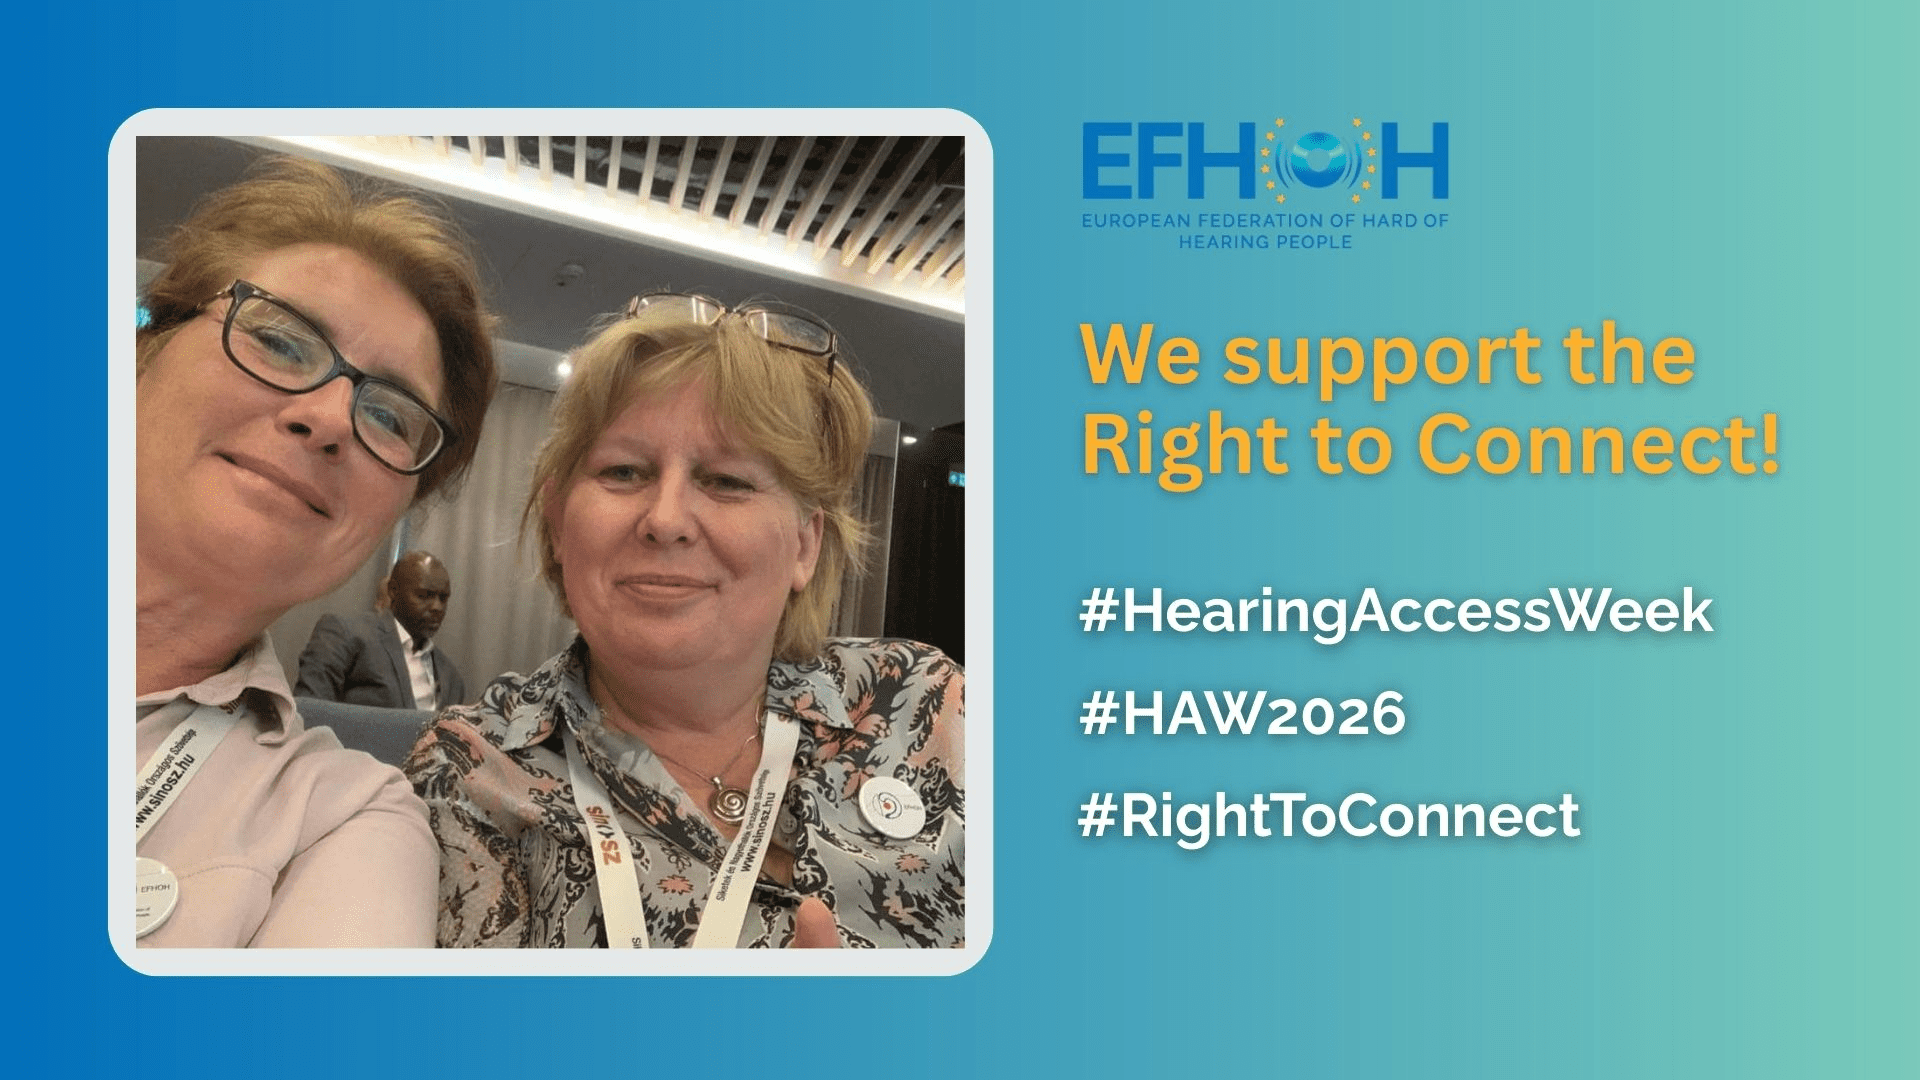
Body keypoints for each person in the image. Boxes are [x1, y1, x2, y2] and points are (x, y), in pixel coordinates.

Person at [406, 294, 964, 949]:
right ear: (558, 525)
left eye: (727, 481)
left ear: (804, 545)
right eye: (623, 471)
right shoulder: (471, 774)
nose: (665, 520)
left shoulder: (924, 705)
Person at [134, 156, 497, 947]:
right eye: (278, 341)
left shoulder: (345, 816)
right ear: (141, 353)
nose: (330, 418)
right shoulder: (350, 638)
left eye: (391, 417)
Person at [295, 549, 470, 710]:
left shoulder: (451, 678)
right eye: (424, 595)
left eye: (443, 598)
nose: (437, 607)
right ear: (393, 591)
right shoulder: (346, 634)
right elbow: (310, 712)